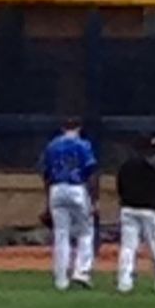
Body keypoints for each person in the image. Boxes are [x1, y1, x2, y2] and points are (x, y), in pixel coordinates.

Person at [41, 116, 97, 290]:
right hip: (76, 188)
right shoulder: (83, 145)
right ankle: (81, 272)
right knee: (86, 232)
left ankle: (60, 280)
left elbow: (46, 174)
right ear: (79, 128)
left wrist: (47, 200)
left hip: (56, 189)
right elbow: (91, 172)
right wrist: (94, 199)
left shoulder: (52, 145)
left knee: (61, 235)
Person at [114, 135, 155, 294]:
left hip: (128, 209)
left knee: (128, 247)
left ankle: (124, 283)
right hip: (149, 210)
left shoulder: (125, 166)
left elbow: (119, 188)